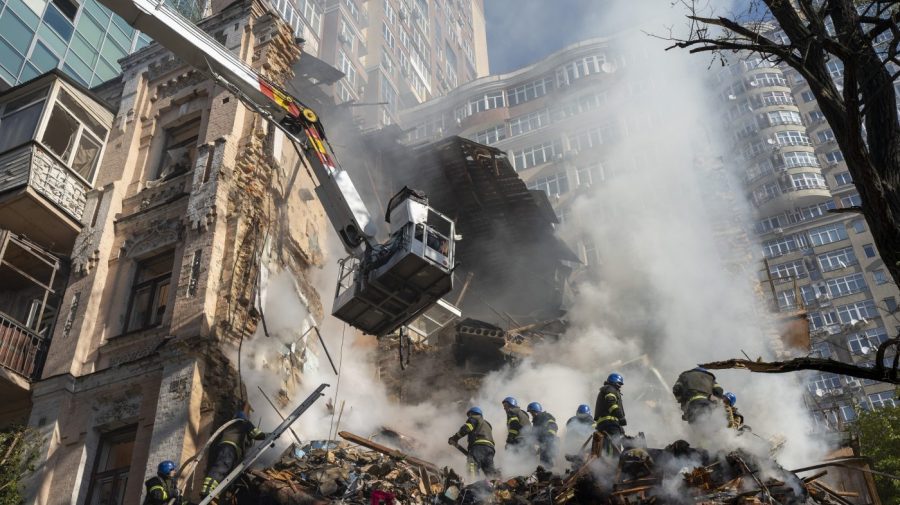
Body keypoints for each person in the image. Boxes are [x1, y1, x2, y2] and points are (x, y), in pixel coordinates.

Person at [201, 411, 267, 497]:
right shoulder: (244, 423)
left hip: (223, 447)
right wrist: (269, 435)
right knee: (222, 466)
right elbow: (257, 434)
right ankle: (208, 489)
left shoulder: (229, 425)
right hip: (230, 447)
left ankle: (214, 491)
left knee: (224, 469)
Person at [448, 406, 498, 479]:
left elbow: (466, 428)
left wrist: (455, 438)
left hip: (479, 446)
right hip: (490, 449)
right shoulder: (487, 424)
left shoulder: (474, 418)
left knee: (472, 465)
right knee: (490, 471)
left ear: (472, 413)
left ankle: (473, 483)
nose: (469, 417)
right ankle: (496, 486)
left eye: (469, 415)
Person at [594, 373, 627, 440]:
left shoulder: (605, 390)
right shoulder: (610, 389)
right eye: (619, 383)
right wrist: (620, 417)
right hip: (610, 423)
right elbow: (611, 403)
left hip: (603, 424)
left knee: (604, 447)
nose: (620, 386)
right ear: (614, 381)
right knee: (615, 444)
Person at [527, 402, 558, 467]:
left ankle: (551, 475)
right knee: (543, 464)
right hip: (543, 446)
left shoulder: (545, 416)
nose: (532, 414)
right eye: (530, 413)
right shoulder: (536, 421)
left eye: (532, 412)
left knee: (547, 462)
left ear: (537, 410)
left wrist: (548, 438)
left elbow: (553, 426)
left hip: (550, 444)